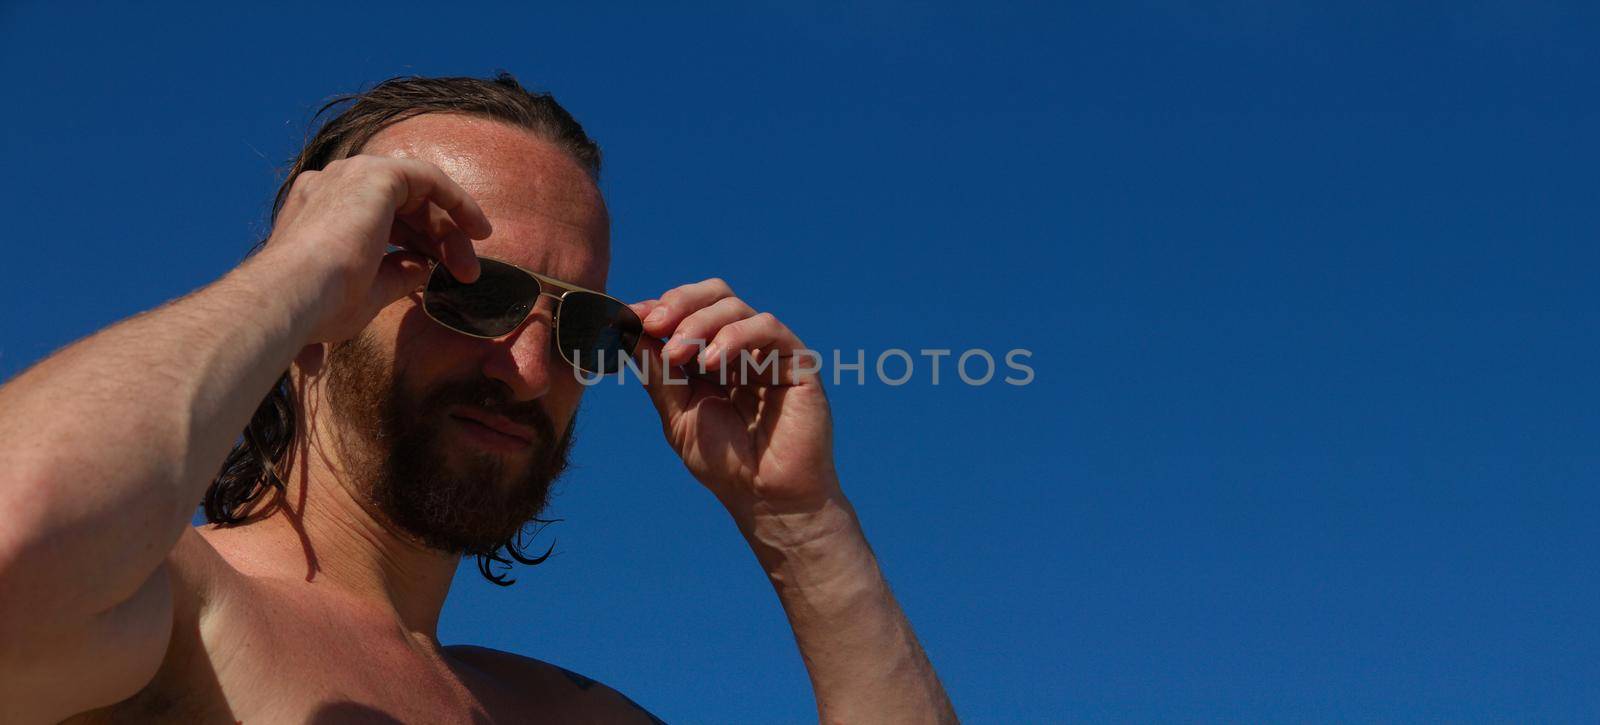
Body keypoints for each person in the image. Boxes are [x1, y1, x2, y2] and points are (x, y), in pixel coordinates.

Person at [0, 73, 955, 723]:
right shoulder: (175, 612)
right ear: (335, 285)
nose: (530, 367)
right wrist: (285, 278)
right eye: (471, 291)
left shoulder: (572, 712)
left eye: (586, 329)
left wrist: (802, 517)